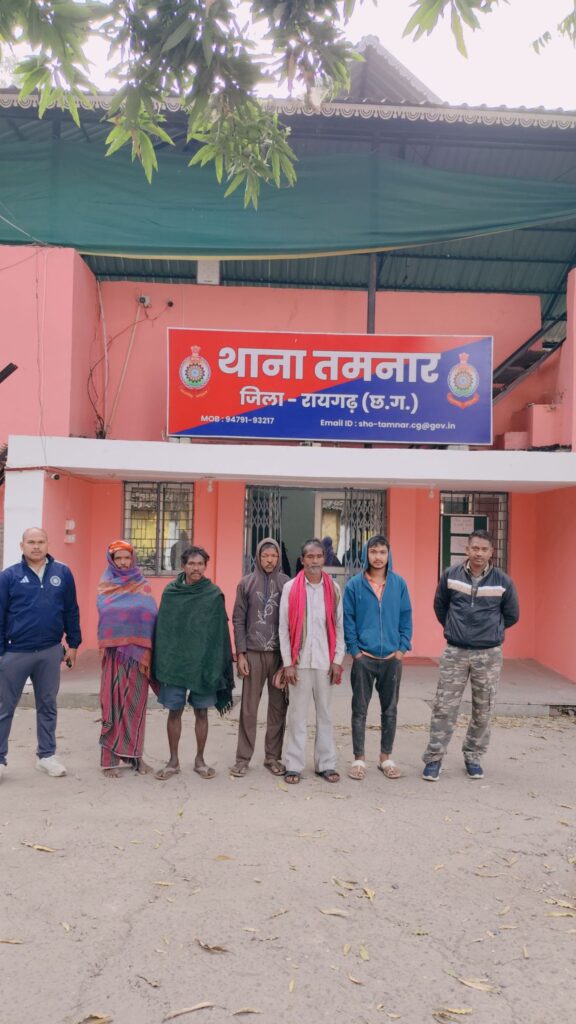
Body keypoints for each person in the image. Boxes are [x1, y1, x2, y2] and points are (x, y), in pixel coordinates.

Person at [422, 529, 519, 781]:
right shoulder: (451, 575)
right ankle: (434, 759)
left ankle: (473, 757)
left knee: (483, 708)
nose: (479, 553)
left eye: (484, 549)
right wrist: (453, 629)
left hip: (488, 655)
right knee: (444, 707)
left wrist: (491, 631)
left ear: (491, 552)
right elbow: (440, 606)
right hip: (455, 652)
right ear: (467, 549)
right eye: (475, 548)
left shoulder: (503, 581)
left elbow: (512, 615)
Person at [0, 527, 81, 781]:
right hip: (15, 652)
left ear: (48, 544)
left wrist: (74, 644)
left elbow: (71, 610)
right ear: (22, 545)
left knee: (47, 705)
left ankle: (46, 756)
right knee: (4, 707)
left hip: (50, 650)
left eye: (41, 541)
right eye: (31, 542)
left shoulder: (62, 573)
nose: (36, 546)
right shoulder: (9, 576)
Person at [153, 545, 234, 781]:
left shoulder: (213, 594)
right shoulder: (171, 593)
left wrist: (217, 662)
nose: (196, 568)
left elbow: (218, 634)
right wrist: (164, 659)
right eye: (191, 563)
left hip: (204, 664)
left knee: (201, 712)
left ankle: (200, 760)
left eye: (200, 564)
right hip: (175, 664)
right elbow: (164, 630)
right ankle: (173, 761)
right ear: (183, 566)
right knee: (174, 712)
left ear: (205, 566)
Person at [343, 535, 412, 781]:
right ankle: (359, 759)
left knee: (390, 710)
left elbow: (406, 616)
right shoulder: (354, 585)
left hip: (392, 658)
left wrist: (401, 649)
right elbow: (348, 619)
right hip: (364, 658)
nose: (378, 557)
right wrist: (355, 651)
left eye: (382, 552)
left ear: (388, 555)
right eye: (373, 552)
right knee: (359, 709)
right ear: (366, 554)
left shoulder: (399, 584)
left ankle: (385, 758)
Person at [279, 538, 345, 784]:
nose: (315, 561)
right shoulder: (291, 588)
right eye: (310, 556)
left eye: (319, 556)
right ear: (302, 559)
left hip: (325, 662)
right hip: (299, 662)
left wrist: (337, 660)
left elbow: (340, 627)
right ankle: (294, 765)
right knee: (297, 716)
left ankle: (325, 764)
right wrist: (288, 663)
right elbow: (283, 629)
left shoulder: (334, 589)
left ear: (324, 558)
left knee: (325, 715)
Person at [97, 540, 158, 776]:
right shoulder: (106, 585)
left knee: (135, 707)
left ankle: (135, 757)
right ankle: (109, 759)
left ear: (132, 559)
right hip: (115, 655)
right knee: (111, 704)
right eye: (118, 558)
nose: (123, 562)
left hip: (139, 656)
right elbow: (105, 614)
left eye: (127, 558)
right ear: (111, 560)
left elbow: (151, 615)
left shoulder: (142, 584)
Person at [230, 538, 290, 778]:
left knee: (278, 708)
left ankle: (272, 757)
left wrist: (288, 662)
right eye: (265, 555)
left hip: (279, 655)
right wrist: (241, 653)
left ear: (278, 558)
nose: (269, 560)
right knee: (249, 709)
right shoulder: (246, 583)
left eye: (273, 556)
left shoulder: (287, 584)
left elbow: (293, 621)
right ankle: (242, 758)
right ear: (257, 556)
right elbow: (238, 619)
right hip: (253, 653)